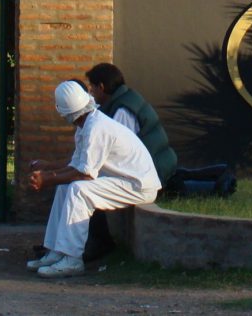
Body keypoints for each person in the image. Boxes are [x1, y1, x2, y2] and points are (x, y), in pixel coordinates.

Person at [26, 81, 161, 279]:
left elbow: (85, 174)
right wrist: (49, 171)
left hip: (139, 185)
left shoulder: (96, 128)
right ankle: (56, 251)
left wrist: (47, 179)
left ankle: (72, 259)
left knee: (79, 190)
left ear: (63, 112)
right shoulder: (87, 125)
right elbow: (75, 166)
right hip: (123, 180)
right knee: (66, 187)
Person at [83, 62, 177, 260]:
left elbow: (117, 151)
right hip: (154, 165)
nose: (90, 93)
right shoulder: (125, 100)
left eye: (91, 88)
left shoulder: (122, 112)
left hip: (150, 173)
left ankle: (98, 242)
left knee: (86, 186)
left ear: (101, 87)